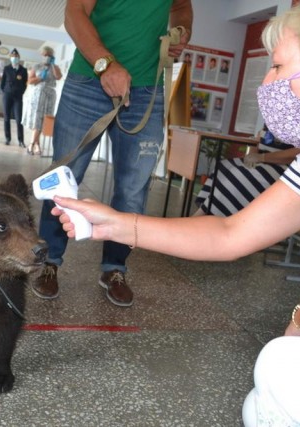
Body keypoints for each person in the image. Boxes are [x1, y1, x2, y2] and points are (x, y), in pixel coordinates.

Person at [51, 0, 300, 424]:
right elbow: (230, 233)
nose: (267, 84)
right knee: (262, 406)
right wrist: (114, 223)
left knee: (281, 364)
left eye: (277, 67)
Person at [32, 0, 193, 308]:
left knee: (134, 188)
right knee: (64, 178)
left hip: (146, 89)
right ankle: (49, 261)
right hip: (88, 82)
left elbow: (183, 6)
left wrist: (182, 30)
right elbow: (74, 12)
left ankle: (114, 269)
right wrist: (105, 63)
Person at [193, 129, 300, 217]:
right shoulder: (274, 117)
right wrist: (252, 154)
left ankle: (205, 216)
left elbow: (298, 152)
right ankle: (206, 213)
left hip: (281, 167)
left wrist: (261, 157)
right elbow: (258, 142)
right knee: (223, 166)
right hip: (260, 161)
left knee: (237, 175)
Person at [23, 46, 62, 155]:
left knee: (44, 119)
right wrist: (40, 78)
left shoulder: (55, 67)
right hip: (38, 94)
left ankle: (35, 144)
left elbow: (58, 77)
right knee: (37, 118)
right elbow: (30, 81)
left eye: (48, 55)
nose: (46, 57)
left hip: (49, 95)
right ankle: (33, 144)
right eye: (44, 55)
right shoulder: (37, 66)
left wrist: (53, 64)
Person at [0, 48, 28, 147]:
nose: (14, 58)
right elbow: (2, 83)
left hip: (18, 97)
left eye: (16, 57)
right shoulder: (6, 69)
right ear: (10, 58)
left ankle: (21, 140)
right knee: (6, 118)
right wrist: (6, 91)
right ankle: (8, 138)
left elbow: (25, 84)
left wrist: (20, 91)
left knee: (19, 118)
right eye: (12, 57)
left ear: (19, 58)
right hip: (7, 95)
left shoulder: (23, 70)